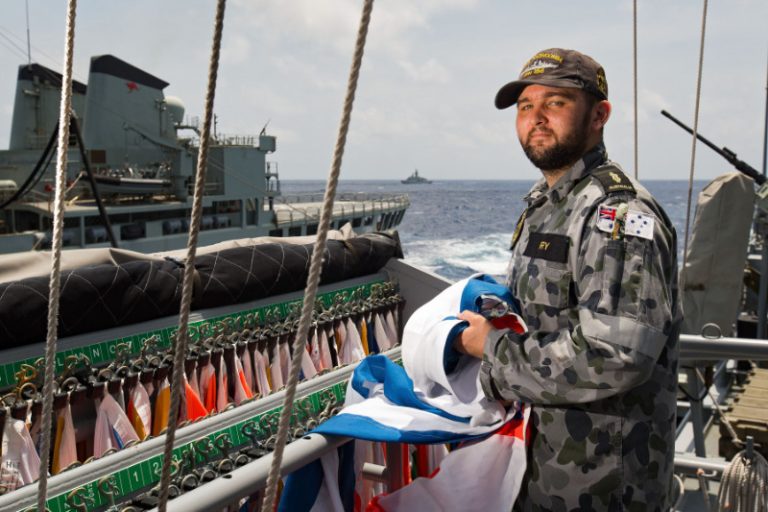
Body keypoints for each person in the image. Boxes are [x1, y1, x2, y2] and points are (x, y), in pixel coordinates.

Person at [453, 48, 682, 511]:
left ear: (599, 115)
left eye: (555, 102)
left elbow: (617, 354)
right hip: (544, 471)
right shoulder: (550, 202)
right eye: (525, 107)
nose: (536, 117)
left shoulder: (614, 215)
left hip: (602, 488)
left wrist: (492, 351)